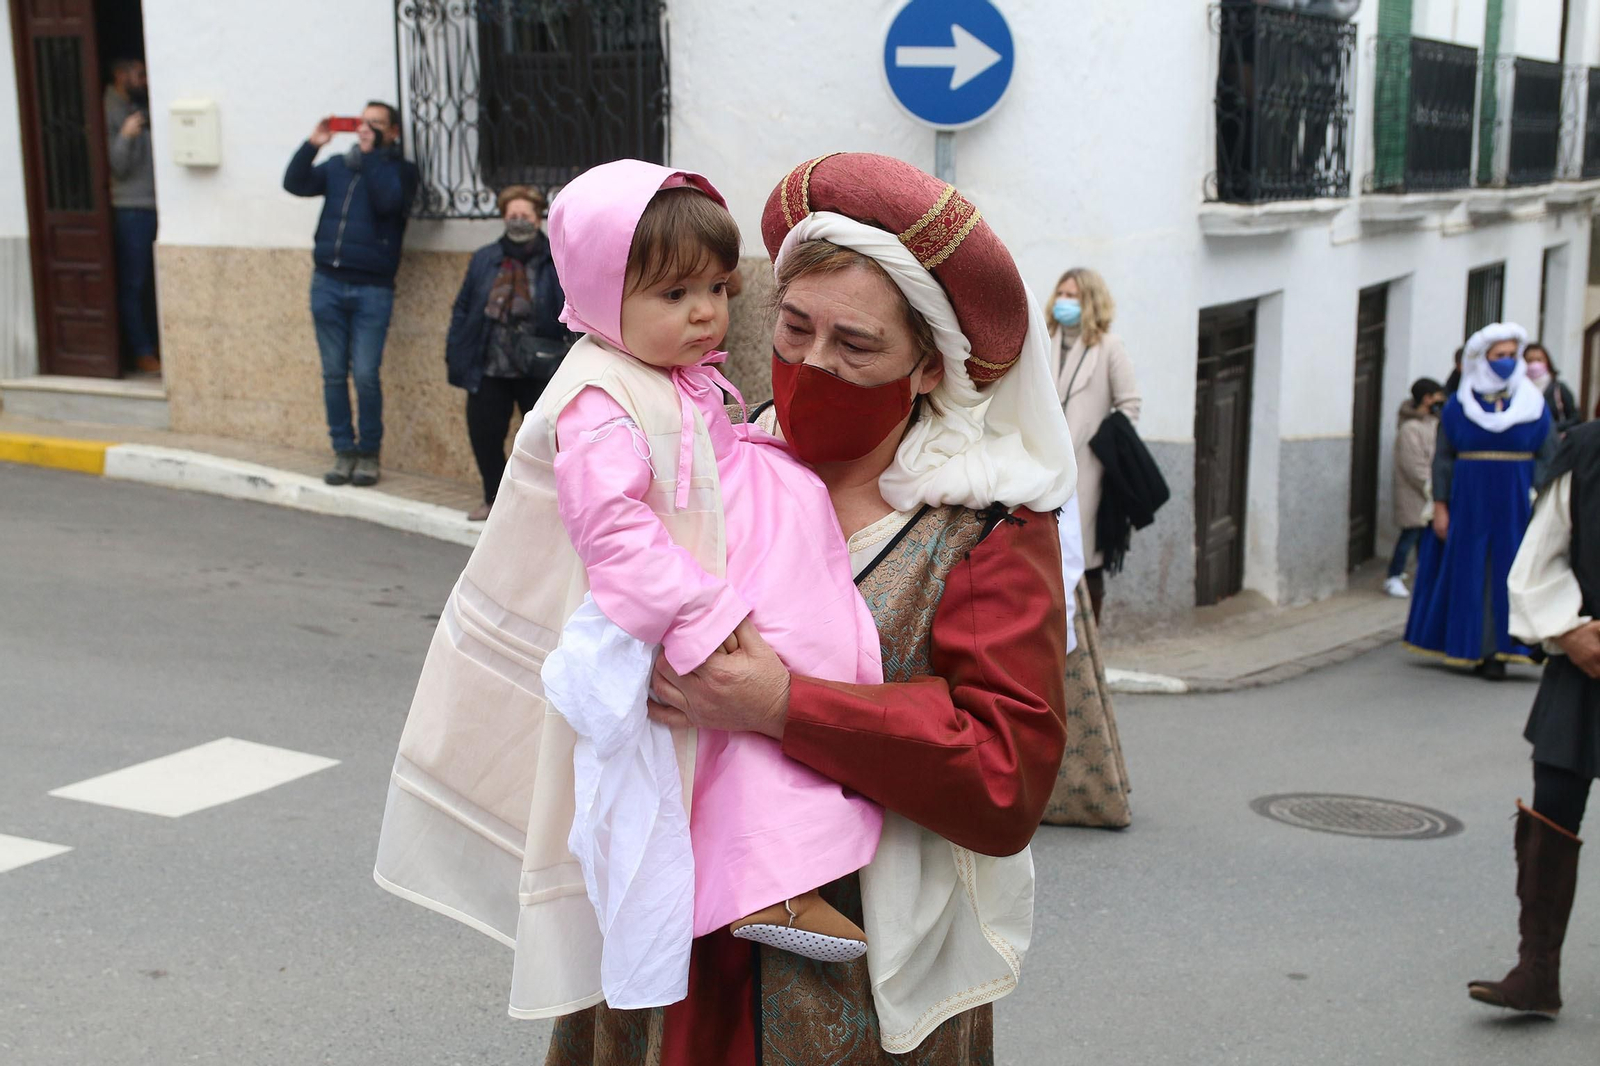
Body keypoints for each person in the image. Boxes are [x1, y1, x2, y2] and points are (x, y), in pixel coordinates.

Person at [372, 152, 1077, 1065]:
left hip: (851, 978)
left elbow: (1006, 776)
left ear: (929, 367)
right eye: (794, 326)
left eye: (856, 346)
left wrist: (783, 706)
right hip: (660, 943)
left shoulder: (984, 528)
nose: (813, 363)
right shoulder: (706, 457)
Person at [1468, 421, 1600, 1017]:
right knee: (1553, 807)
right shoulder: (1589, 450)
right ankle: (1537, 971)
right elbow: (1541, 552)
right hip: (1587, 659)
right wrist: (1567, 630)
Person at [1404, 323, 1557, 680]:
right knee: (1470, 572)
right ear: (1483, 359)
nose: (1507, 361)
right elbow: (1444, 459)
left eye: (1512, 355)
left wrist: (1536, 491)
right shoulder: (1458, 406)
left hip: (1516, 502)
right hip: (1469, 502)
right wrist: (1440, 505)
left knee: (1510, 572)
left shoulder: (1533, 403)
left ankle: (1506, 648)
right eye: (1499, 355)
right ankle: (1472, 646)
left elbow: (1549, 454)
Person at [283, 102, 419, 488]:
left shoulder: (401, 171)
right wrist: (313, 144)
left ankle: (369, 453)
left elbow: (389, 202)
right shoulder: (339, 166)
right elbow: (295, 183)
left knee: (365, 374)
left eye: (376, 125)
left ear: (392, 132)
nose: (366, 130)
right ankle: (343, 450)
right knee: (332, 374)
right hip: (327, 282)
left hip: (372, 289)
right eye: (363, 123)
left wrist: (372, 157)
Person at [446, 185, 573, 521]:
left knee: (546, 441)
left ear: (538, 217)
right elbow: (463, 308)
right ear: (504, 217)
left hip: (541, 367)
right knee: (485, 435)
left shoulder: (555, 258)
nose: (519, 220)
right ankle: (494, 500)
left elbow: (569, 308)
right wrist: (457, 352)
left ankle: (549, 508)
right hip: (491, 364)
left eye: (525, 215)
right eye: (513, 215)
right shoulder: (485, 258)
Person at [1049, 266, 1141, 624]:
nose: (1064, 301)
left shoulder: (1108, 347)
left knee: (1086, 558)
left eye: (1072, 296)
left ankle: (1089, 635)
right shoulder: (1045, 338)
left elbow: (1129, 404)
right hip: (1046, 464)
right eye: (1061, 294)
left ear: (1090, 301)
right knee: (1048, 554)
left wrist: (1105, 445)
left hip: (1089, 468)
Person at [104, 58, 159, 374]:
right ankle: (141, 351)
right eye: (139, 74)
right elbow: (117, 167)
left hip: (152, 205)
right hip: (130, 209)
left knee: (150, 283)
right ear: (119, 74)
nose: (145, 80)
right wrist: (125, 135)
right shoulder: (108, 109)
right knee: (134, 284)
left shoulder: (139, 105)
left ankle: (154, 345)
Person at [1386, 377, 1445, 598]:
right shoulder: (1410, 428)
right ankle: (1393, 576)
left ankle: (1425, 578)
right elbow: (1413, 465)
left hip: (1428, 494)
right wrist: (1432, 485)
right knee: (1409, 535)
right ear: (1426, 398)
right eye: (1437, 397)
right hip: (1414, 494)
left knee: (1423, 539)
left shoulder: (1433, 423)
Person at [1524, 343, 1582, 436]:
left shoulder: (1559, 389)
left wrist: (1554, 427)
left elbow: (1575, 418)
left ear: (1547, 362)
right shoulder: (1517, 389)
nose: (1534, 364)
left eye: (1539, 360)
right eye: (1530, 360)